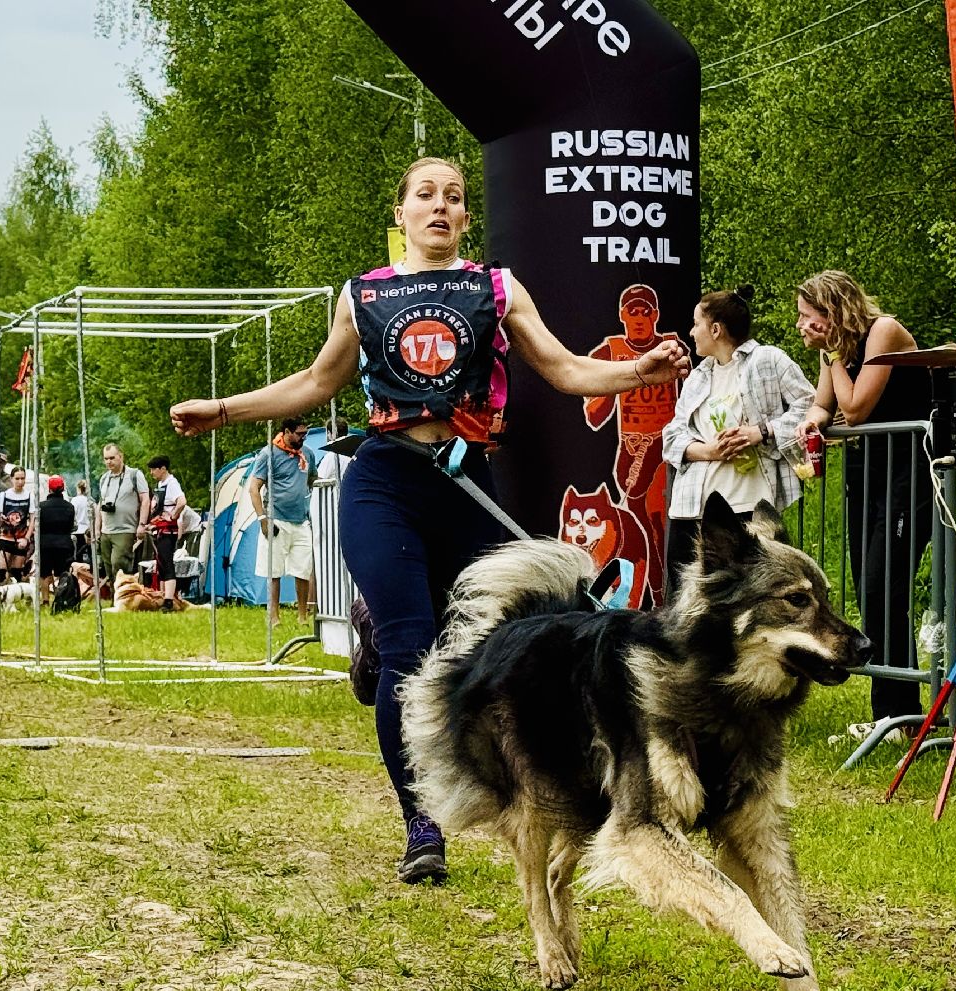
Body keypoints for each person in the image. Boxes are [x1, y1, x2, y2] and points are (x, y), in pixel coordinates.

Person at [170, 156, 688, 885]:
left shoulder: (495, 288)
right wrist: (224, 411)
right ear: (402, 214)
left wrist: (641, 372)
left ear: (466, 218)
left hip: (465, 481)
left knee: (497, 644)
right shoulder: (364, 295)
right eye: (425, 196)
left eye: (453, 197)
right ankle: (422, 823)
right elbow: (319, 382)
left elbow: (568, 369)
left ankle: (490, 751)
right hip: (384, 480)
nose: (439, 207)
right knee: (413, 649)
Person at [795, 270, 933, 726]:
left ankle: (903, 711)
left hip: (906, 469)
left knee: (886, 585)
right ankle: (888, 714)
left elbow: (855, 409)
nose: (801, 325)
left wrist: (832, 354)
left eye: (807, 315)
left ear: (831, 310)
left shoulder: (883, 332)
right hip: (867, 473)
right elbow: (826, 404)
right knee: (869, 590)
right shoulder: (836, 352)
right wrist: (811, 422)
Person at [661, 286, 815, 594]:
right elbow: (672, 436)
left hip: (750, 505)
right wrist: (709, 451)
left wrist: (762, 431)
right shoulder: (697, 377)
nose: (691, 333)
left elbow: (810, 404)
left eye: (696, 324)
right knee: (682, 598)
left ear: (715, 329)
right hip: (693, 508)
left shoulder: (767, 359)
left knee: (749, 597)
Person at [583, 283, 684, 603]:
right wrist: (617, 378)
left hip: (664, 452)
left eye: (645, 311)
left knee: (661, 529)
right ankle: (654, 601)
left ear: (655, 315)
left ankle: (666, 600)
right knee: (641, 535)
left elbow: (693, 400)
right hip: (630, 453)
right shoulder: (610, 351)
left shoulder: (672, 347)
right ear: (622, 315)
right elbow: (594, 417)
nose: (639, 318)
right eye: (632, 311)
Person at [247, 419, 316, 626]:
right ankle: (274, 615)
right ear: (287, 432)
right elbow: (254, 488)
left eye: (305, 433)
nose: (303, 437)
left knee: (303, 568)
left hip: (301, 520)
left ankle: (302, 615)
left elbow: (313, 479)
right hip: (276, 518)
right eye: (300, 434)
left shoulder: (308, 454)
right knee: (274, 570)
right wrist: (262, 519)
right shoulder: (268, 454)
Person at [96, 444, 150, 580]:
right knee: (108, 569)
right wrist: (97, 528)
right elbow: (100, 504)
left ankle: (124, 598)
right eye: (106, 459)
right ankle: (116, 599)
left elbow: (145, 500)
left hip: (125, 529)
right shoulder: (104, 478)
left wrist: (142, 524)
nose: (109, 462)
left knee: (119, 565)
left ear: (121, 456)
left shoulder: (134, 475)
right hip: (106, 531)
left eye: (112, 458)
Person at [147, 455, 187, 612]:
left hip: (168, 529)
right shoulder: (161, 484)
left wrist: (174, 516)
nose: (151, 473)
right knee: (161, 564)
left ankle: (169, 600)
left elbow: (182, 501)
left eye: (153, 469)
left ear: (163, 468)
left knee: (167, 563)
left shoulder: (172, 483)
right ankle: (163, 595)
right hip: (159, 528)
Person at [37, 475, 77, 605]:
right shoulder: (69, 507)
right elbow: (72, 526)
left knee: (44, 573)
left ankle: (45, 600)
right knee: (62, 574)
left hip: (45, 544)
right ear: (63, 489)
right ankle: (61, 598)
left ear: (49, 489)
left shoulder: (41, 507)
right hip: (64, 544)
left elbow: (38, 527)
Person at [0, 466, 34, 581]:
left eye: (22, 479)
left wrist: (27, 538)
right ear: (12, 479)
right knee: (1, 572)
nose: (20, 482)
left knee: (17, 573)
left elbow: (32, 519)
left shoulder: (29, 496)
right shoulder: (4, 496)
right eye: (17, 478)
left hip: (21, 539)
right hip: (5, 537)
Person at [71, 479, 92, 565]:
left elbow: (72, 514)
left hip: (77, 531)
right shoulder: (90, 501)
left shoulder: (74, 500)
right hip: (88, 531)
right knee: (90, 555)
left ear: (78, 488)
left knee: (78, 556)